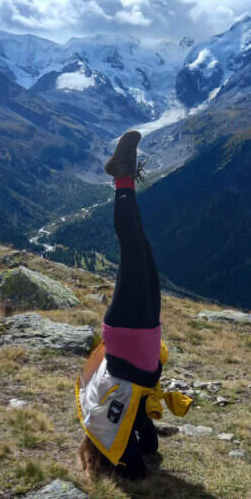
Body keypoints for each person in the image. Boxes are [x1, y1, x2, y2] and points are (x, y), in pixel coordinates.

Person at [77, 130, 191, 480]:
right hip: (143, 336)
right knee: (141, 248)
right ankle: (123, 177)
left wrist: (128, 450)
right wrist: (142, 430)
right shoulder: (122, 421)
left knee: (133, 249)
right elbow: (148, 450)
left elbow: (136, 469)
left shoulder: (106, 427)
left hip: (129, 332)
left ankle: (121, 177)